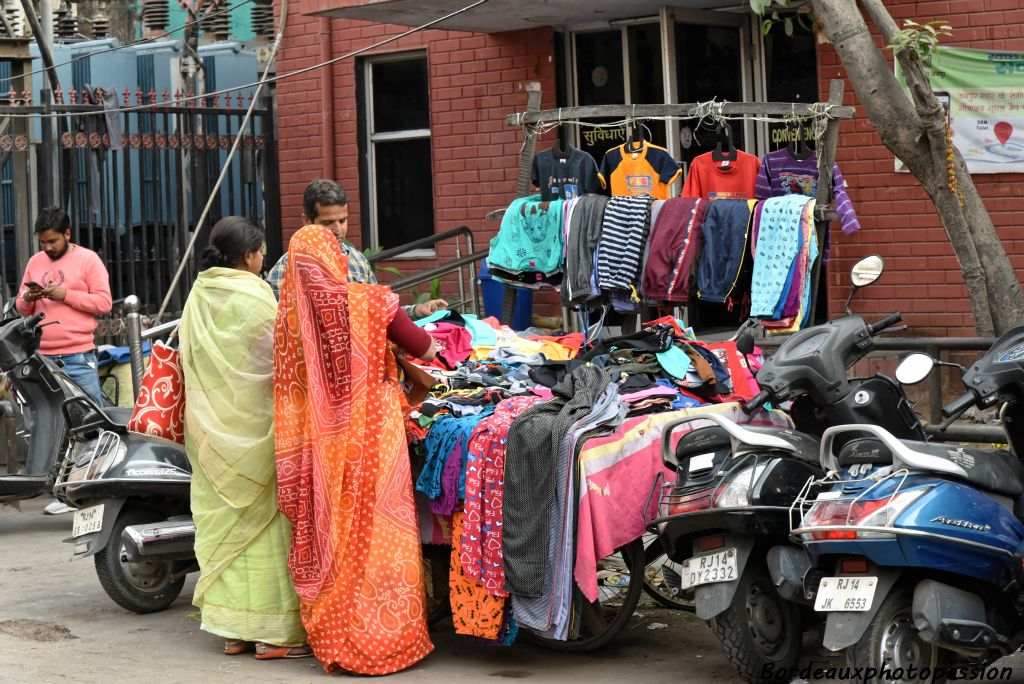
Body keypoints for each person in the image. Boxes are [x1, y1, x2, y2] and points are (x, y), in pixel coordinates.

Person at [274, 224, 436, 675]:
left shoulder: (290, 319)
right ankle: (385, 639)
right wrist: (436, 349)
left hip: (323, 447)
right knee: (381, 528)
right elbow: (422, 344)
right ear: (333, 259)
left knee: (339, 535)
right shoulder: (366, 303)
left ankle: (335, 636)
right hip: (373, 436)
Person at [179, 217, 310, 660]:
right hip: (257, 430)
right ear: (251, 255)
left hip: (211, 432)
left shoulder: (198, 294)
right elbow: (279, 355)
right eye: (261, 252)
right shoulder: (255, 294)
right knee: (268, 530)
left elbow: (190, 358)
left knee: (226, 528)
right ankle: (274, 636)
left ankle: (233, 631)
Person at [16, 207, 111, 516]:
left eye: (53, 241)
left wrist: (64, 294)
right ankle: (65, 491)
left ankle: (95, 488)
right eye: (43, 242)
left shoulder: (88, 260)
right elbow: (21, 306)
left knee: (89, 423)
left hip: (78, 356)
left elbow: (104, 303)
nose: (47, 247)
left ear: (67, 235)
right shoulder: (35, 263)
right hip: (43, 358)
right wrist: (28, 299)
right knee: (51, 425)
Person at [265, 179, 448, 318]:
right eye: (327, 223)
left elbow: (379, 309)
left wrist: (416, 310)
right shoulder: (287, 267)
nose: (338, 230)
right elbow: (270, 325)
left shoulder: (358, 261)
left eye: (342, 221)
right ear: (307, 221)